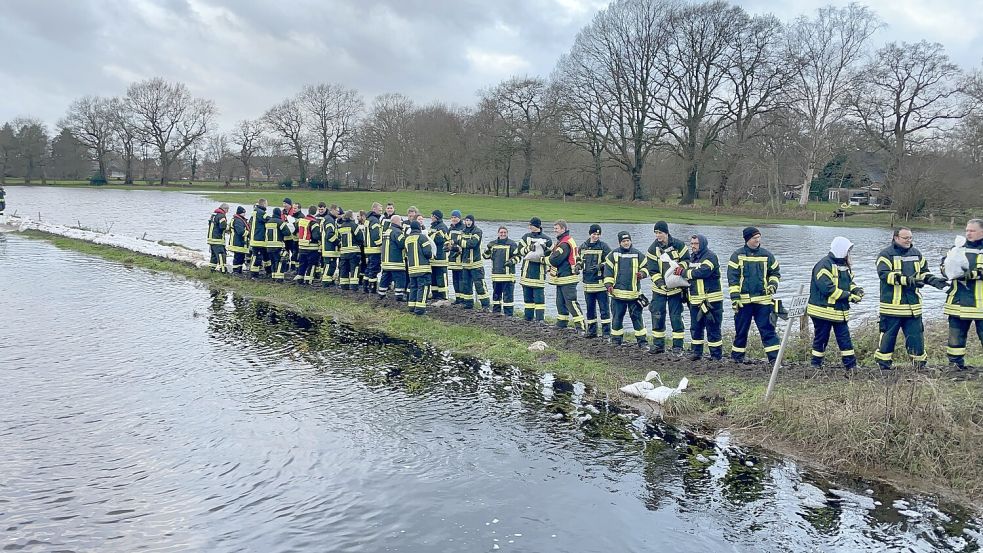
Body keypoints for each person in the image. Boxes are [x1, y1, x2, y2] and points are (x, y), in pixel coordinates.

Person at [875, 227, 947, 370]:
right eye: (905, 238)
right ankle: (883, 367)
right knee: (887, 339)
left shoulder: (917, 254)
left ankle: (919, 366)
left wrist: (934, 281)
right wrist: (909, 281)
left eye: (910, 238)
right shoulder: (885, 255)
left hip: (913, 307)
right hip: (892, 307)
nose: (909, 240)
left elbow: (923, 273)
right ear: (896, 238)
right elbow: (885, 275)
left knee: (916, 339)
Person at [807, 237, 863, 370]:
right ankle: (816, 364)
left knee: (845, 339)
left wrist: (857, 290)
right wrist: (849, 297)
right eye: (848, 250)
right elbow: (827, 289)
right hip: (822, 311)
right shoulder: (823, 265)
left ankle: (851, 365)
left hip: (839, 312)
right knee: (821, 338)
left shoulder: (844, 265)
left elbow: (849, 283)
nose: (849, 253)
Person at [727, 227, 781, 363]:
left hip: (763, 302)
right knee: (741, 331)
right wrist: (735, 299)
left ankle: (775, 360)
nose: (757, 240)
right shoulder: (737, 256)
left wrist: (772, 285)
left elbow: (775, 273)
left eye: (759, 237)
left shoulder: (767, 255)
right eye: (754, 238)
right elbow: (732, 279)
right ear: (747, 240)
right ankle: (737, 359)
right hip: (743, 302)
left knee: (768, 331)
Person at [942, 219, 983, 370]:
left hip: (980, 304)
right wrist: (948, 271)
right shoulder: (957, 248)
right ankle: (955, 365)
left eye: (972, 230)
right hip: (958, 302)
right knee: (956, 338)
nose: (968, 233)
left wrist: (972, 274)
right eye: (967, 230)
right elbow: (944, 266)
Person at [645, 221, 688, 354]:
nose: (658, 235)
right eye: (656, 233)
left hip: (676, 289)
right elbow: (652, 270)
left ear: (667, 233)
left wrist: (679, 269)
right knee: (657, 316)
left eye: (660, 233)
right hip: (659, 291)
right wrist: (661, 284)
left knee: (676, 317)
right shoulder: (652, 249)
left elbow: (687, 261)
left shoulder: (679, 245)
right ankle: (658, 345)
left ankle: (678, 347)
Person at [603, 231, 648, 347]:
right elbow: (608, 272)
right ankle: (616, 341)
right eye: (624, 241)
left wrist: (642, 274)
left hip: (634, 295)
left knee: (637, 319)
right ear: (620, 243)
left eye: (628, 240)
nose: (626, 243)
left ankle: (642, 342)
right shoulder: (613, 255)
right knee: (617, 319)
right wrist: (608, 285)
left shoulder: (638, 254)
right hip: (617, 295)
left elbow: (647, 267)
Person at [683, 234, 723, 361]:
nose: (693, 246)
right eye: (692, 244)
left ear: (703, 244)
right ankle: (696, 353)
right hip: (695, 301)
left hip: (711, 301)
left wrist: (684, 273)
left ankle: (716, 356)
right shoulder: (692, 258)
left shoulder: (710, 256)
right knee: (696, 328)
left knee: (713, 328)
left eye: (696, 244)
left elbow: (704, 272)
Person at [548, 220, 586, 330]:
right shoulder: (564, 241)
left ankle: (581, 327)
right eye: (554, 228)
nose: (555, 231)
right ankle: (561, 324)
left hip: (568, 277)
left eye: (557, 228)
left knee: (571, 303)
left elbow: (555, 259)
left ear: (563, 229)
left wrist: (543, 259)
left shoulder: (564, 243)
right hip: (561, 278)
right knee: (560, 302)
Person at [579, 224, 612, 338]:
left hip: (601, 285)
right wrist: (578, 266)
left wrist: (601, 266)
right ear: (590, 234)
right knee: (590, 309)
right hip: (587, 284)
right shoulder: (583, 246)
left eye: (598, 234)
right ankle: (592, 331)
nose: (596, 236)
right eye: (594, 234)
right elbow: (579, 259)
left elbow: (611, 261)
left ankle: (606, 333)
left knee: (604, 310)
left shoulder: (604, 246)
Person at [518, 217, 553, 321]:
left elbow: (551, 257)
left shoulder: (547, 239)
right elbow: (519, 251)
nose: (529, 227)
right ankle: (528, 318)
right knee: (528, 299)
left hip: (539, 274)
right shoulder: (525, 237)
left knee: (539, 300)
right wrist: (529, 248)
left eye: (531, 225)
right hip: (526, 273)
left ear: (536, 226)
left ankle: (539, 320)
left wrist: (544, 252)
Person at [483, 226, 521, 316]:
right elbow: (485, 256)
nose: (503, 234)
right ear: (498, 233)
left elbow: (518, 257)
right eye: (501, 232)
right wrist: (487, 250)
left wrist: (511, 261)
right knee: (496, 296)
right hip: (496, 276)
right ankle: (496, 312)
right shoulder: (492, 244)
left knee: (508, 297)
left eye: (504, 232)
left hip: (508, 276)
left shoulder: (512, 244)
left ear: (507, 233)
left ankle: (509, 314)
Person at [457, 214, 490, 309]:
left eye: (469, 220)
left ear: (473, 221)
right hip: (465, 264)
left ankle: (486, 305)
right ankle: (468, 304)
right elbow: (460, 247)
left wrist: (457, 242)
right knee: (466, 286)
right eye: (466, 220)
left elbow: (472, 244)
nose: (468, 222)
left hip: (476, 264)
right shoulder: (462, 232)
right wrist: (452, 247)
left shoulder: (477, 231)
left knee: (480, 285)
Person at [404, 220, 434, 315]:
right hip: (423, 268)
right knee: (423, 288)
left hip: (412, 269)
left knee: (413, 287)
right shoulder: (423, 238)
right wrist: (432, 256)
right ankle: (420, 310)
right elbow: (428, 252)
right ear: (419, 228)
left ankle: (412, 307)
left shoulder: (407, 239)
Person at [378, 214, 407, 301]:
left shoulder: (387, 231)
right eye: (401, 222)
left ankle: (381, 293)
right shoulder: (397, 232)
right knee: (400, 278)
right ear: (397, 222)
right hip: (395, 261)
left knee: (385, 277)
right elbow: (402, 243)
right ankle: (399, 295)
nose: (401, 223)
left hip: (386, 261)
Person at [335, 210, 363, 290]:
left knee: (344, 269)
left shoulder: (341, 226)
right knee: (355, 268)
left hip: (343, 252)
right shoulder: (354, 225)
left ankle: (344, 285)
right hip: (353, 251)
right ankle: (354, 286)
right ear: (351, 217)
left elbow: (338, 238)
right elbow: (360, 237)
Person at [295, 205, 322, 284]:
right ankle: (308, 280)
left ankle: (300, 278)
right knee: (312, 264)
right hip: (311, 247)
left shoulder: (302, 221)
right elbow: (316, 236)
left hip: (301, 246)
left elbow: (296, 230)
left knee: (302, 263)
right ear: (316, 212)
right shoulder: (314, 223)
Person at [428, 210, 450, 300]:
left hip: (441, 258)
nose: (431, 217)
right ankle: (435, 295)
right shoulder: (433, 226)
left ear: (436, 217)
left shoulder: (442, 227)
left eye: (432, 216)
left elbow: (440, 239)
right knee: (433, 278)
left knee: (441, 277)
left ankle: (444, 296)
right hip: (434, 258)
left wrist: (428, 237)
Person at [265, 207, 291, 282]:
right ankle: (279, 278)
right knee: (280, 261)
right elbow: (287, 233)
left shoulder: (268, 222)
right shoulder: (280, 222)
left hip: (268, 246)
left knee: (273, 261)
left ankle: (274, 276)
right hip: (277, 245)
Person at [362, 203, 384, 293]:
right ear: (374, 209)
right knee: (374, 269)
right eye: (379, 210)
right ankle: (372, 288)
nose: (381, 212)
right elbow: (375, 235)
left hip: (368, 248)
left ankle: (365, 286)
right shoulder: (374, 220)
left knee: (369, 268)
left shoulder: (368, 219)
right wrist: (381, 244)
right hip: (374, 249)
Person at [447, 210, 465, 303]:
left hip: (460, 257)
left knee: (461, 278)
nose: (454, 219)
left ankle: (462, 298)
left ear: (459, 218)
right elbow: (447, 240)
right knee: (455, 278)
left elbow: (463, 243)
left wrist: (454, 248)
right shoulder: (450, 228)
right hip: (452, 258)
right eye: (452, 217)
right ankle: (457, 298)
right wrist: (446, 247)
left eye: (455, 217)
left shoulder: (463, 228)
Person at [319, 203, 340, 287]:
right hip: (329, 248)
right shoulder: (330, 220)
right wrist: (338, 242)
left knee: (331, 265)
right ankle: (326, 282)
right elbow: (329, 235)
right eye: (337, 211)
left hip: (328, 248)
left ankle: (329, 280)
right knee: (329, 265)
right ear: (333, 210)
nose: (338, 213)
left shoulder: (328, 219)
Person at [248, 199, 269, 278]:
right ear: (263, 204)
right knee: (257, 257)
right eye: (266, 204)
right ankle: (254, 274)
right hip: (259, 240)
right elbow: (269, 219)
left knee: (265, 256)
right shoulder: (261, 213)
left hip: (255, 239)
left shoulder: (254, 213)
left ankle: (268, 271)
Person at [207, 203, 229, 272]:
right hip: (218, 239)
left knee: (214, 256)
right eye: (227, 210)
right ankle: (223, 271)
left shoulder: (213, 215)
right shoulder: (221, 216)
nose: (227, 212)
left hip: (211, 239)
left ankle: (212, 270)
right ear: (225, 209)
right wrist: (228, 229)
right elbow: (223, 226)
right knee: (221, 255)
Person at [229, 206, 250, 274]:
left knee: (240, 257)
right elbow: (241, 232)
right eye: (244, 213)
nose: (244, 214)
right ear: (241, 213)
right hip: (238, 242)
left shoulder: (237, 219)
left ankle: (239, 271)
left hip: (239, 242)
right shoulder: (238, 220)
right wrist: (249, 233)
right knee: (237, 258)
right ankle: (236, 271)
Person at [281, 198, 299, 270]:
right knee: (285, 252)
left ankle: (293, 267)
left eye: (286, 203)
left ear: (290, 204)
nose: (284, 205)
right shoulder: (282, 212)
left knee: (294, 252)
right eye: (283, 203)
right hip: (285, 237)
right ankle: (286, 267)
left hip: (292, 237)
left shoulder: (293, 212)